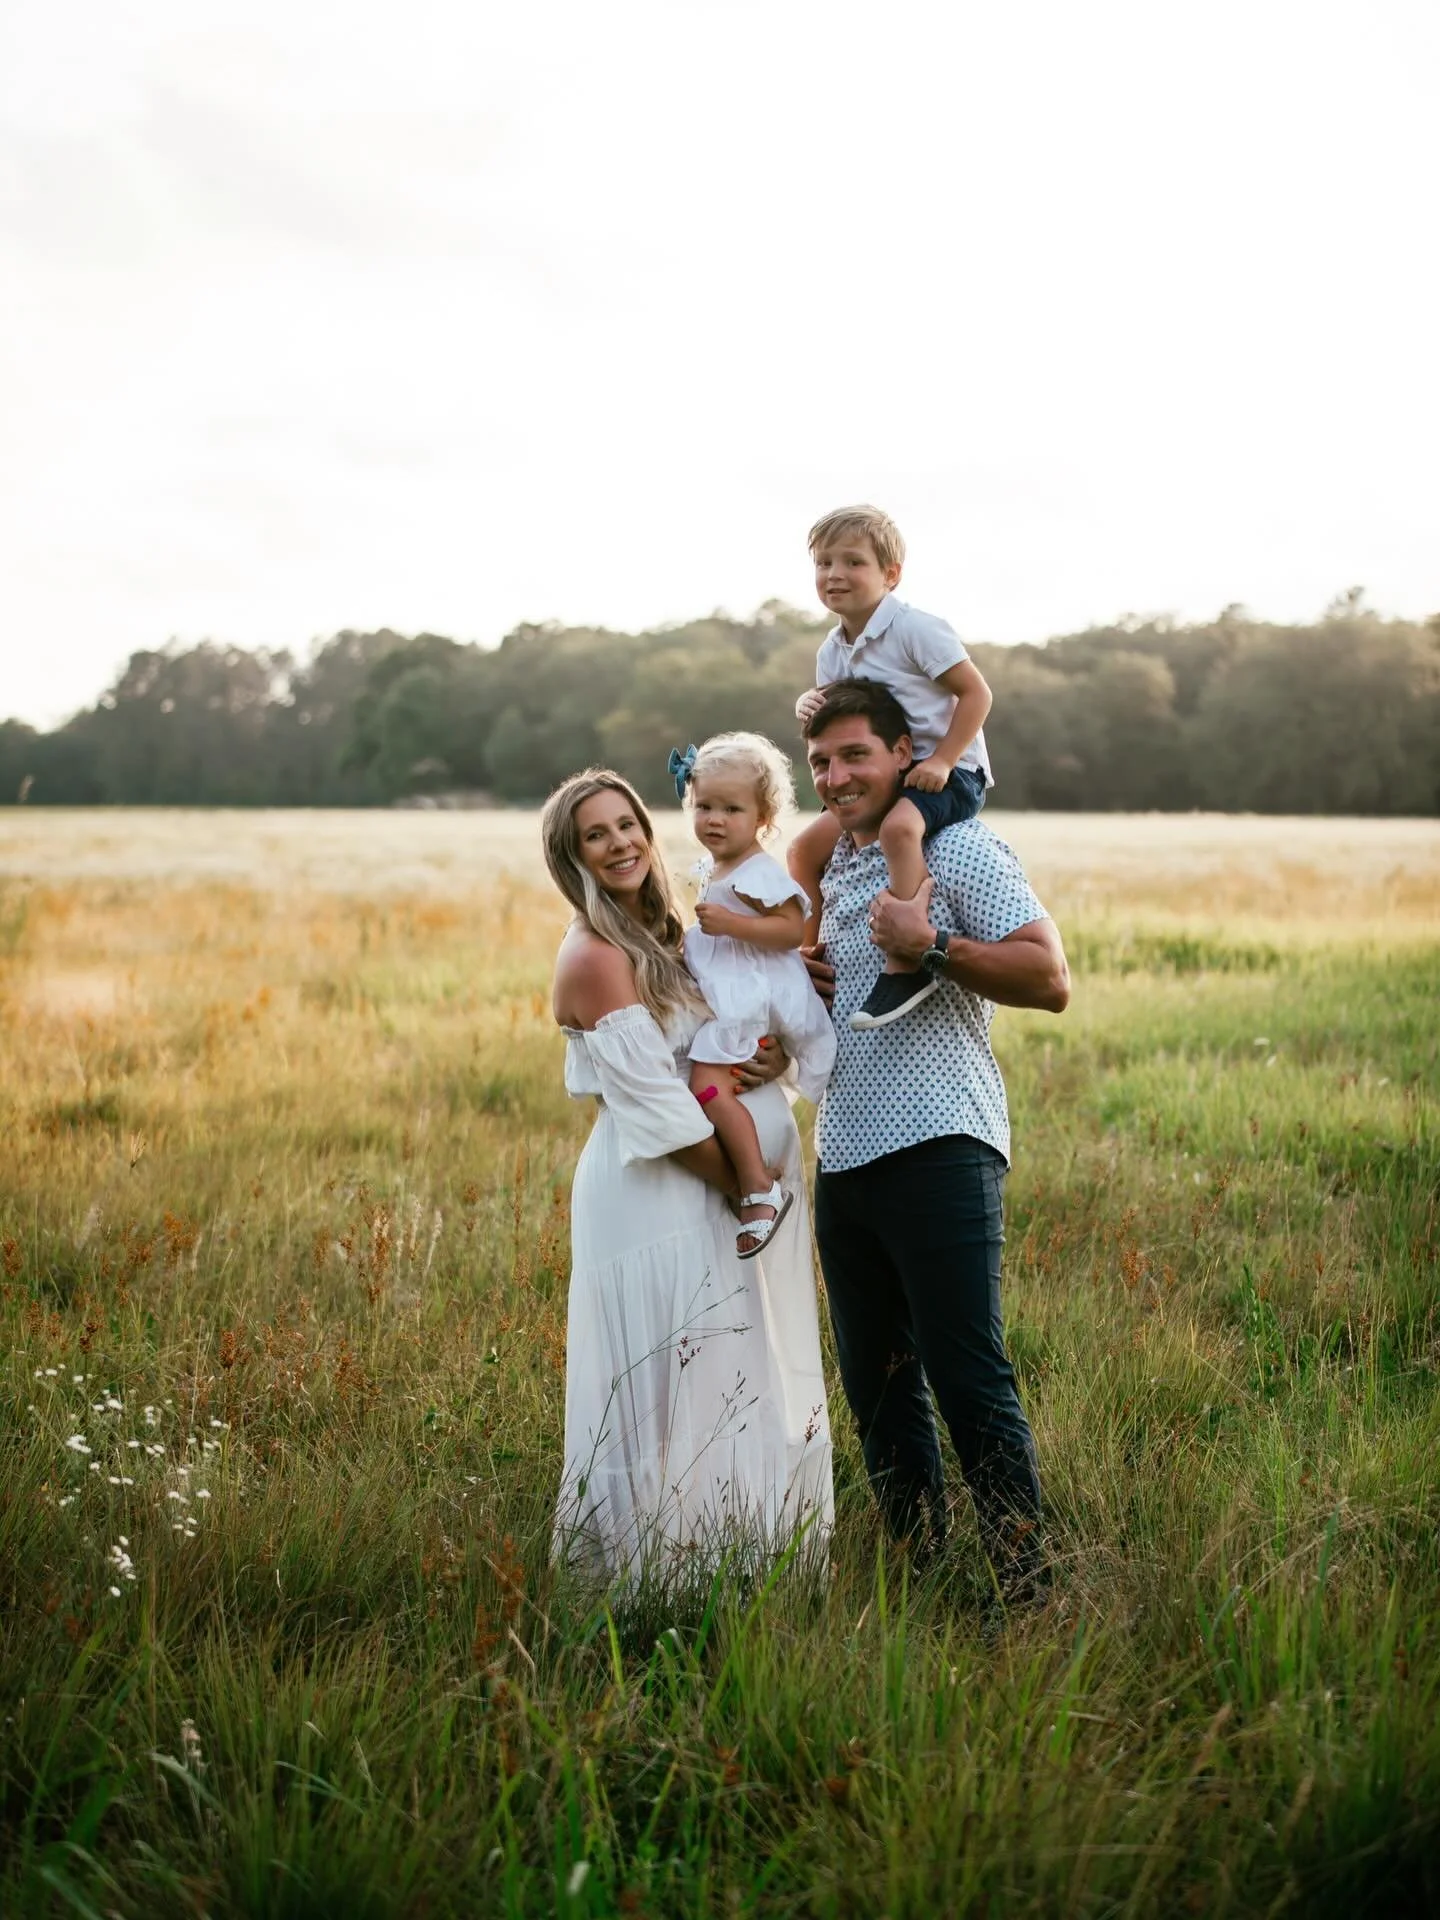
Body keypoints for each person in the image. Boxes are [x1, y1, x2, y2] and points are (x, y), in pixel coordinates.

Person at [793, 680, 1069, 1609]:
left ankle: (1026, 1590)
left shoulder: (959, 848)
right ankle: (921, 1574)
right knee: (876, 1387)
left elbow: (1049, 977)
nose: (836, 777)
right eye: (821, 762)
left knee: (967, 1378)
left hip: (942, 1143)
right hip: (843, 1155)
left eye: (854, 755)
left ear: (904, 752)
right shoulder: (836, 869)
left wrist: (933, 945)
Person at [541, 768, 833, 1584]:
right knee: (670, 1383)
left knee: (724, 1375)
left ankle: (732, 1563)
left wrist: (772, 1048)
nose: (619, 843)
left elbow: (731, 1028)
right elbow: (662, 1116)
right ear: (572, 857)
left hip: (720, 1194)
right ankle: (651, 1584)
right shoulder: (596, 956)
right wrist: (749, 1186)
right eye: (595, 835)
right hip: (661, 1192)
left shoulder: (668, 930)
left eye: (626, 824)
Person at [791, 503, 995, 1033]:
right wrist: (807, 704)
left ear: (891, 574)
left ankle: (906, 963)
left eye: (852, 562)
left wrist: (944, 759)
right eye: (823, 563)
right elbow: (838, 718)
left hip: (949, 772)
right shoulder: (832, 651)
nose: (835, 574)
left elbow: (977, 694)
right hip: (887, 779)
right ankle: (809, 961)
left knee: (900, 829)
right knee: (803, 849)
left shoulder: (915, 630)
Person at [668, 731, 837, 1261]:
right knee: (708, 1087)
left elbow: (790, 930)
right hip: (733, 993)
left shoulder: (758, 872)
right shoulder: (719, 867)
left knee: (707, 1085)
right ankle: (751, 1180)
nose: (714, 820)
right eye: (704, 807)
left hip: (749, 1002)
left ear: (763, 817)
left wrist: (732, 924)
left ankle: (757, 1185)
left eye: (732, 809)